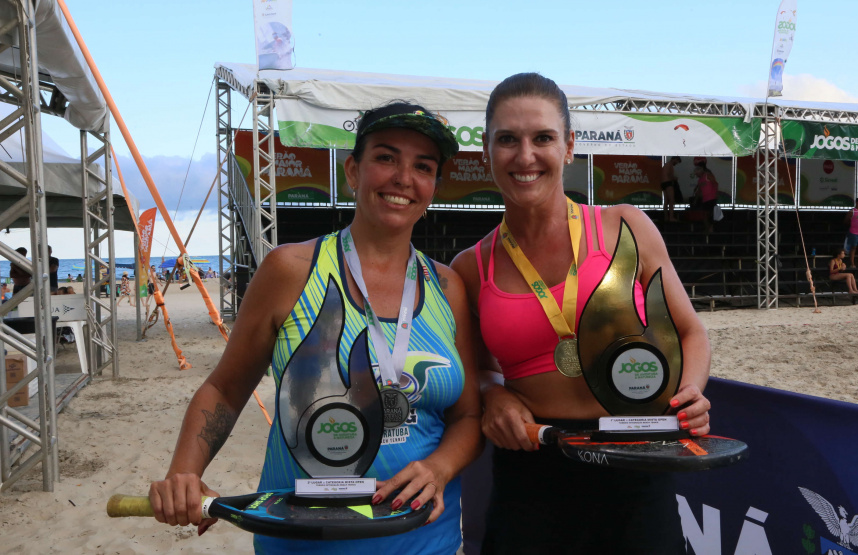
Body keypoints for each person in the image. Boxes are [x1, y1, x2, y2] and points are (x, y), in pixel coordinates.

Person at [148, 102, 482, 554]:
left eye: (422, 166)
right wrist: (185, 472)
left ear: (433, 188)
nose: (403, 177)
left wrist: (440, 468)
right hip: (303, 538)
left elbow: (468, 415)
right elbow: (226, 389)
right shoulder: (291, 269)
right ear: (352, 171)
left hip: (423, 539)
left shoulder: (447, 287)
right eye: (385, 158)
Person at [451, 73, 710, 554]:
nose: (525, 156)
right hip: (532, 469)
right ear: (486, 152)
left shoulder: (625, 227)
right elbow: (475, 371)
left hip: (633, 457)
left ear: (569, 146)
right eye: (507, 139)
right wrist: (493, 395)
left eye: (542, 138)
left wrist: (690, 390)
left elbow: (690, 331)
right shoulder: (470, 267)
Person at [693, 157, 718, 233]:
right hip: (705, 199)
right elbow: (699, 190)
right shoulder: (700, 179)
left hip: (711, 198)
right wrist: (695, 200)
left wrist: (716, 193)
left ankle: (710, 228)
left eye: (697, 173)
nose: (696, 175)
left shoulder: (707, 174)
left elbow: (715, 183)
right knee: (705, 215)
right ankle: (708, 228)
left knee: (710, 214)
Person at [843, 197, 858, 268]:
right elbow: (846, 220)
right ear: (857, 203)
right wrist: (852, 224)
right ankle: (852, 263)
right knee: (853, 247)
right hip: (854, 232)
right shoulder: (852, 211)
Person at [660, 156, 681, 222]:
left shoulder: (666, 165)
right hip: (668, 183)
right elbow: (669, 175)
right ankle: (671, 217)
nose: (676, 164)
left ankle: (666, 217)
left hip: (663, 183)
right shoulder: (670, 165)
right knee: (672, 200)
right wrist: (675, 178)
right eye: (677, 162)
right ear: (674, 159)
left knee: (666, 201)